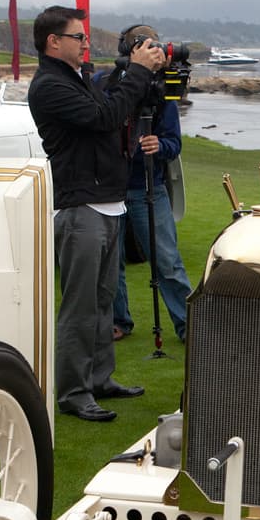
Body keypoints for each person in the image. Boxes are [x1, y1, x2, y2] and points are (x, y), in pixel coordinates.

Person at [27, 5, 163, 423]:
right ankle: (73, 391)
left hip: (107, 200)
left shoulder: (79, 78)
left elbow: (118, 109)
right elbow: (104, 117)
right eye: (78, 37)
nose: (86, 43)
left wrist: (142, 78)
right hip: (80, 205)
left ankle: (100, 378)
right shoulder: (50, 85)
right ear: (54, 42)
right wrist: (136, 72)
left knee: (104, 301)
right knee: (81, 305)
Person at [97, 26, 192, 343]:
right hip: (111, 187)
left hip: (147, 186)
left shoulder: (160, 90)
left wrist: (158, 146)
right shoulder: (107, 83)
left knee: (166, 260)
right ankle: (118, 321)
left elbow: (173, 143)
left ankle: (187, 324)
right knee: (111, 265)